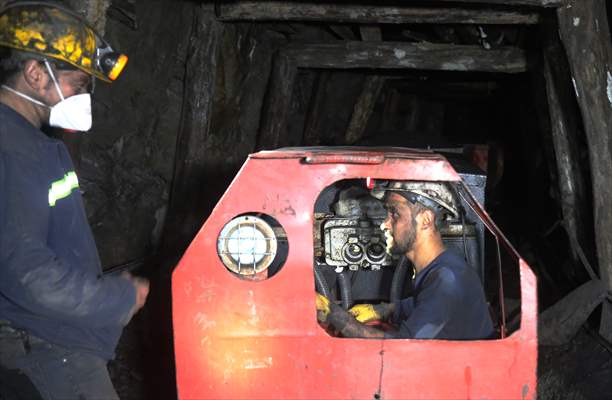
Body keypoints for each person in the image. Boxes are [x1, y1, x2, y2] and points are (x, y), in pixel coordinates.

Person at [0, 3, 146, 399]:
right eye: (78, 84)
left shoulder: (32, 142)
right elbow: (26, 271)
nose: (81, 97)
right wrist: (118, 298)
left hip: (51, 340)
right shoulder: (11, 147)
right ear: (34, 74)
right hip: (44, 348)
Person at [317, 181, 494, 340]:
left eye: (395, 214)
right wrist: (381, 310)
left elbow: (403, 348)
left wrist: (341, 320)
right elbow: (424, 304)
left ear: (425, 219)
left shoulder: (448, 279)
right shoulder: (444, 266)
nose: (384, 224)